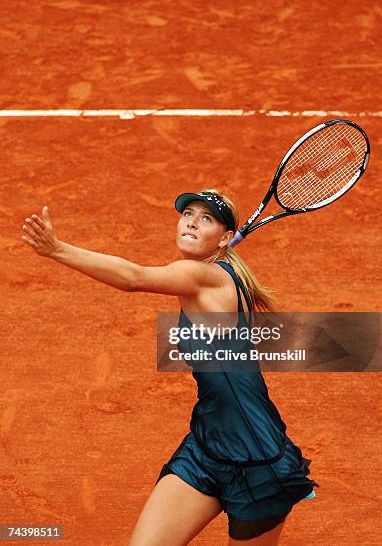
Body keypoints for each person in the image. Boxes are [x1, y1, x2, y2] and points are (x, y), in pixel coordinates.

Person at [21, 189, 318, 545]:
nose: (192, 221)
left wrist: (57, 249)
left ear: (224, 238)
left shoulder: (204, 277)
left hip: (258, 461)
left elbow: (133, 278)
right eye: (188, 214)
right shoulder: (211, 274)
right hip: (207, 448)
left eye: (206, 218)